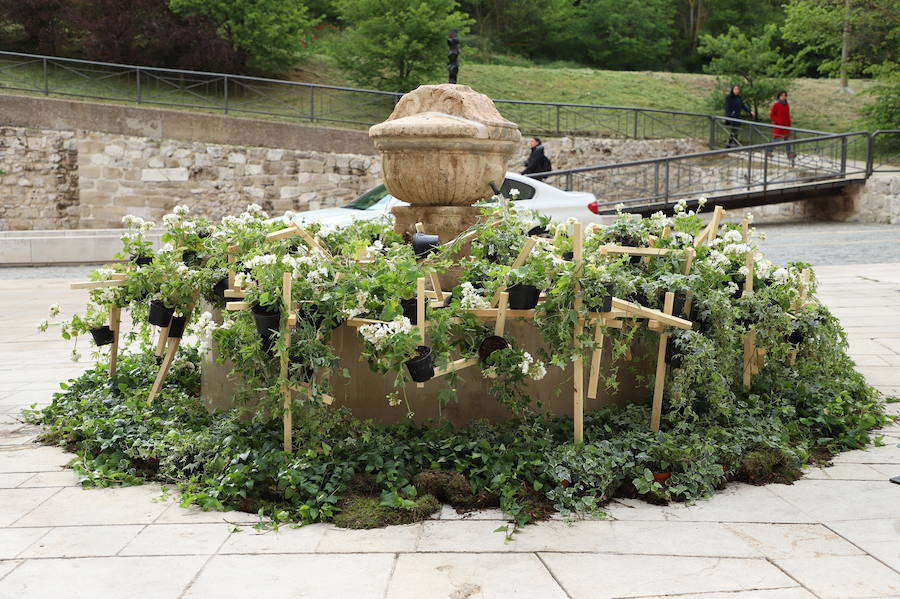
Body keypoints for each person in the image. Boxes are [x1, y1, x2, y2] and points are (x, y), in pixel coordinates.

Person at [768, 90, 796, 164]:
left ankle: (789, 154)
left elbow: (787, 115)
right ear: (779, 96)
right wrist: (777, 121)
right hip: (779, 125)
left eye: (785, 95)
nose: (783, 97)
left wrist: (789, 123)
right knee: (776, 139)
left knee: (787, 140)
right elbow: (771, 115)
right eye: (782, 95)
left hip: (786, 125)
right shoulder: (776, 104)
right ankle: (769, 151)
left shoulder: (787, 104)